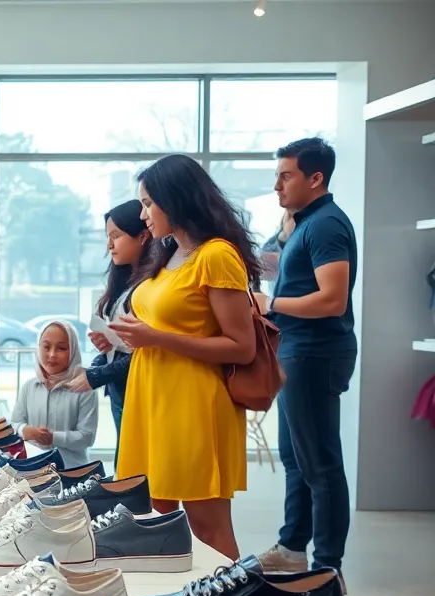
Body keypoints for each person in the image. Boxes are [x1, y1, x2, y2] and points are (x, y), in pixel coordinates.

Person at [112, 154, 260, 561]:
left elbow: (241, 346)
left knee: (208, 528)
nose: (143, 215)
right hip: (152, 398)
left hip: (193, 404)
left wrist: (156, 337)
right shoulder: (167, 254)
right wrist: (142, 338)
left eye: (148, 203)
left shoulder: (216, 256)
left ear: (175, 200)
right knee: (155, 520)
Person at [252, 138, 357, 576]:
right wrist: (283, 231)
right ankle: (293, 547)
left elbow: (332, 299)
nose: (277, 185)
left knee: (320, 462)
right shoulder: (305, 223)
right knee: (295, 456)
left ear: (316, 178)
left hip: (315, 354)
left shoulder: (327, 224)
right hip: (295, 351)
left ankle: (328, 569)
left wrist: (270, 305)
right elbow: (277, 269)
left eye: (286, 175)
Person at [66, 200, 153, 463]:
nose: (109, 245)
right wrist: (105, 349)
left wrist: (96, 375)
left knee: (138, 471)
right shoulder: (124, 283)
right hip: (120, 389)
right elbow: (125, 347)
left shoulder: (152, 288)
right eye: (108, 237)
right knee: (126, 465)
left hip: (141, 391)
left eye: (116, 236)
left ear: (143, 236)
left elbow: (147, 352)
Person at [13, 321, 98, 468]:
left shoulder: (84, 388)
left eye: (61, 348)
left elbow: (87, 437)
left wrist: (53, 438)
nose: (52, 354)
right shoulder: (29, 386)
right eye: (46, 347)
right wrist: (25, 431)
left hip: (71, 470)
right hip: (31, 468)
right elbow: (15, 423)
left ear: (73, 351)